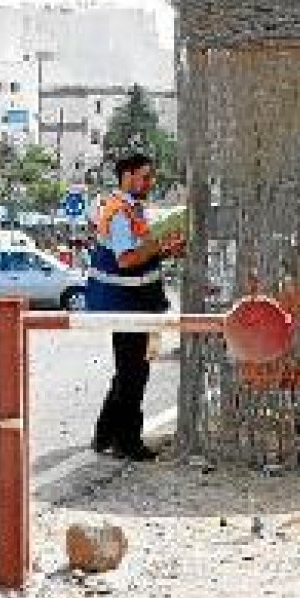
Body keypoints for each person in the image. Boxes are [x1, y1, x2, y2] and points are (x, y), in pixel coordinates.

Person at [87, 152, 186, 462]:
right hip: (127, 305)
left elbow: (140, 257)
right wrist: (159, 245)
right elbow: (127, 259)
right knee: (133, 375)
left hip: (135, 304)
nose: (150, 182)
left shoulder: (131, 210)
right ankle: (127, 442)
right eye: (145, 176)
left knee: (127, 372)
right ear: (126, 176)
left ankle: (105, 435)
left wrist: (165, 251)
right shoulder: (119, 213)